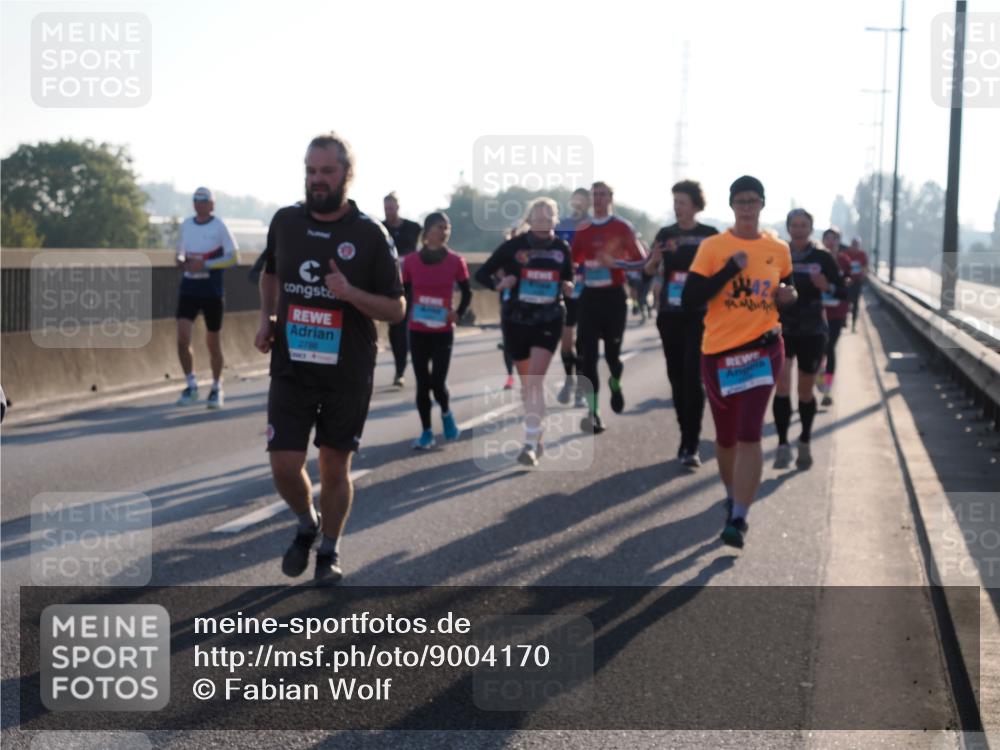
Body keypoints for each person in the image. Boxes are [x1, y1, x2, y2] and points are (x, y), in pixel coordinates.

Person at [255, 132, 405, 585]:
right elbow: (270, 273)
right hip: (292, 364)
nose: (316, 180)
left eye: (326, 171)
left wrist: (351, 293)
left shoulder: (370, 234)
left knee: (334, 466)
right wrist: (267, 318)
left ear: (347, 175)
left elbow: (396, 310)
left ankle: (329, 550)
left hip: (347, 370)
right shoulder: (286, 221)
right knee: (284, 464)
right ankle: (308, 522)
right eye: (310, 171)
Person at [683, 176, 796, 548]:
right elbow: (690, 297)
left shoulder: (778, 249)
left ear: (762, 204)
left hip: (763, 349)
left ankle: (739, 517)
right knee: (726, 438)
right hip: (719, 354)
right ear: (732, 205)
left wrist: (788, 297)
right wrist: (730, 269)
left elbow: (787, 291)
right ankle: (733, 495)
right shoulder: (713, 247)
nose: (747, 207)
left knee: (750, 432)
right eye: (741, 201)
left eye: (753, 200)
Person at [476, 198, 574, 466]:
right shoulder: (514, 246)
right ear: (529, 220)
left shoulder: (561, 248)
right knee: (527, 384)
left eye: (549, 218)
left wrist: (567, 285)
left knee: (534, 380)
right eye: (538, 219)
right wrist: (500, 283)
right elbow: (482, 274)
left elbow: (568, 276)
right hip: (517, 319)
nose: (544, 223)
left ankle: (530, 442)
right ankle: (536, 433)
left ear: (555, 220)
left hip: (549, 318)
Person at [644, 180, 718, 467]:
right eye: (674, 202)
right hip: (670, 313)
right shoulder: (666, 234)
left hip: (701, 314)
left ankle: (692, 442)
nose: (677, 207)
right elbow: (648, 270)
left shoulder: (709, 236)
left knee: (692, 376)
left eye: (682, 202)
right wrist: (655, 260)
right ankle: (684, 432)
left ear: (695, 205)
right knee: (676, 377)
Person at [772, 209, 847, 470]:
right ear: (788, 227)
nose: (798, 229)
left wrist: (827, 286)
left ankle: (804, 440)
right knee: (782, 385)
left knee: (804, 390)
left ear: (811, 228)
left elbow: (842, 290)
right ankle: (782, 444)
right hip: (783, 328)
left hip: (813, 329)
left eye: (803, 225)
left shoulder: (822, 257)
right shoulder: (778, 253)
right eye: (794, 225)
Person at [571, 181, 647, 434]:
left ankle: (615, 382)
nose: (599, 199)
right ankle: (593, 413)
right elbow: (572, 261)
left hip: (614, 298)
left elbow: (641, 262)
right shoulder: (583, 228)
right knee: (588, 358)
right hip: (589, 298)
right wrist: (568, 278)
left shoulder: (622, 227)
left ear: (611, 198)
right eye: (595, 195)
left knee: (613, 357)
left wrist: (615, 263)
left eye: (603, 194)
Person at [402, 212, 471, 449]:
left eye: (447, 227)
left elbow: (467, 292)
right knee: (422, 383)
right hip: (418, 329)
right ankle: (426, 432)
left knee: (438, 382)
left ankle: (446, 413)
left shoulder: (455, 261)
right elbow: (403, 291)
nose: (444, 232)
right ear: (428, 230)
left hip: (443, 330)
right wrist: (405, 310)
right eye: (440, 227)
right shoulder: (411, 262)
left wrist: (458, 313)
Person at [174, 187, 238, 409]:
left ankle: (217, 386)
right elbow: (180, 251)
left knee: (213, 342)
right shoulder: (186, 224)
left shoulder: (220, 226)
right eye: (196, 199)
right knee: (182, 337)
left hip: (211, 290)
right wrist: (180, 260)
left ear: (212, 204)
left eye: (204, 200)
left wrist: (207, 264)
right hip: (189, 288)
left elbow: (234, 257)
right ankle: (191, 385)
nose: (199, 203)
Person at [554, 187, 591, 406]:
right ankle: (569, 380)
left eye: (582, 200)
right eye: (575, 200)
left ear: (588, 203)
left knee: (584, 342)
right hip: (567, 289)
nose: (578, 203)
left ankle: (580, 389)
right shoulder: (562, 226)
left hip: (589, 288)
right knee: (567, 342)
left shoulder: (595, 225)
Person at [383, 192, 423, 387]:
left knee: (408, 326)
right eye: (386, 208)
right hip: (390, 284)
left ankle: (406, 367)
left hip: (412, 284)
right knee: (395, 328)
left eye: (391, 208)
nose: (388, 212)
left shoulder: (413, 228)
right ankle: (399, 368)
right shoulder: (380, 228)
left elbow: (426, 249)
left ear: (398, 207)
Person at [819, 228, 854, 406]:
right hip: (817, 311)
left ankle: (827, 389)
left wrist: (846, 282)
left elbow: (849, 279)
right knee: (818, 350)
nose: (831, 241)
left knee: (830, 347)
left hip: (837, 311)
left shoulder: (844, 260)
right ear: (823, 240)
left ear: (839, 241)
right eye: (827, 238)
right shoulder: (816, 258)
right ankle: (819, 377)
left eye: (834, 238)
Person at [843, 236, 869, 332]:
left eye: (857, 244)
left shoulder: (862, 254)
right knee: (846, 302)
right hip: (847, 282)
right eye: (853, 244)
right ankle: (844, 321)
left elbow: (865, 267)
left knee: (855, 303)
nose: (855, 246)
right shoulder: (846, 253)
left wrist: (863, 275)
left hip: (857, 282)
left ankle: (853, 324)